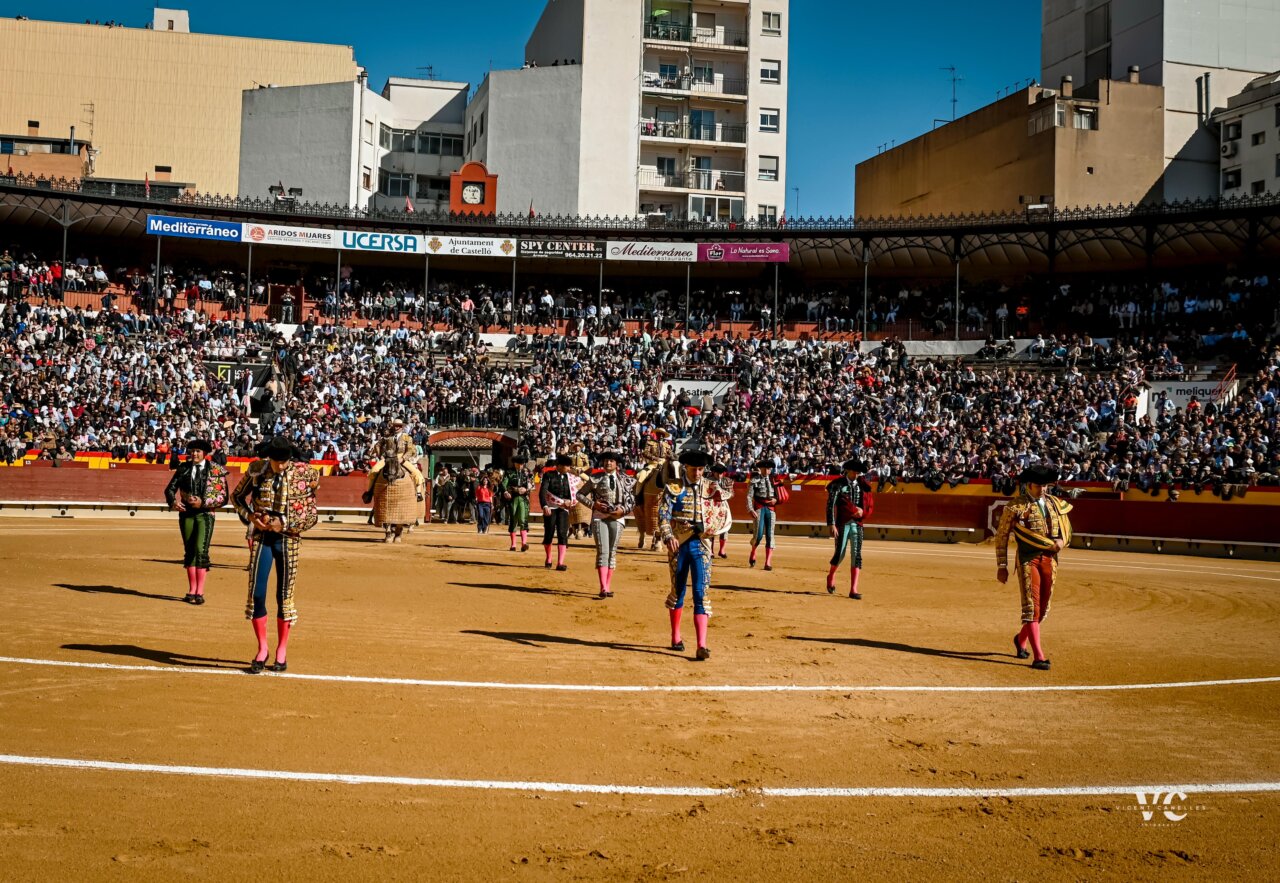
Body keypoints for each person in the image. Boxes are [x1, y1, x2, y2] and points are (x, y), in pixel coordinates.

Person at [231, 436, 320, 673]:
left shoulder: (305, 474)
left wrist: (286, 524)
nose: (281, 465)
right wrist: (251, 517)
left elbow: (311, 515)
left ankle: (281, 650)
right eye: (277, 461)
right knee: (257, 594)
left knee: (284, 596)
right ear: (269, 457)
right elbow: (237, 497)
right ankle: (262, 648)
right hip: (261, 539)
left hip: (288, 539)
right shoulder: (257, 470)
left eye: (285, 461)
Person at [994, 463, 1074, 671]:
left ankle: (1021, 640)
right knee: (1032, 606)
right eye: (1039, 486)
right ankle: (1039, 656)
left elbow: (1066, 530)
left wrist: (1061, 542)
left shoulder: (1056, 504)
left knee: (1043, 608)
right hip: (1028, 559)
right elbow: (1001, 537)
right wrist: (1002, 566)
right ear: (1029, 485)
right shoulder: (1015, 506)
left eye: (1045, 485)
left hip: (1050, 558)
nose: (1043, 489)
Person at [658, 449, 733, 660]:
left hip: (701, 545)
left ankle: (702, 645)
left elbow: (722, 511)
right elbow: (663, 515)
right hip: (679, 546)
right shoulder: (673, 488)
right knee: (678, 591)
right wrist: (667, 535)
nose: (698, 473)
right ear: (685, 468)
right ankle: (676, 637)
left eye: (701, 469)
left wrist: (711, 528)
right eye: (694, 469)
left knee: (701, 592)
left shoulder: (711, 487)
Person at [163, 438, 230, 604]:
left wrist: (203, 502)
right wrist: (173, 502)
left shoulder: (215, 470)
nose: (194, 454)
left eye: (198, 451)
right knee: (190, 550)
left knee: (201, 550)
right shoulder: (183, 468)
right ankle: (191, 590)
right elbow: (170, 489)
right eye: (192, 451)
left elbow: (223, 497)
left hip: (205, 514)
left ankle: (200, 591)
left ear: (205, 454)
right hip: (186, 513)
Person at [576, 451, 635, 598]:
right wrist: (593, 505)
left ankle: (607, 586)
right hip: (599, 517)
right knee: (603, 551)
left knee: (612, 552)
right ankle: (603, 587)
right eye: (606, 461)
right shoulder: (595, 478)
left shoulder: (626, 479)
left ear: (616, 464)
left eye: (611, 461)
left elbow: (632, 500)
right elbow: (579, 494)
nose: (608, 463)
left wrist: (623, 510)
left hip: (618, 518)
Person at [825, 457, 874, 598]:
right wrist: (831, 524)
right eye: (854, 471)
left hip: (857, 523)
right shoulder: (838, 484)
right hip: (842, 523)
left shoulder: (862, 485)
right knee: (840, 553)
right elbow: (830, 505)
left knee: (856, 555)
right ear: (847, 470)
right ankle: (831, 576)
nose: (856, 474)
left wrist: (863, 513)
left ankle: (853, 589)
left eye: (858, 472)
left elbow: (868, 504)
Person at [539, 454, 578, 570]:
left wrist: (570, 502)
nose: (569, 469)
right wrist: (544, 505)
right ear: (560, 466)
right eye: (567, 466)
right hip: (551, 508)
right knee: (549, 534)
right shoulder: (548, 475)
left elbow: (573, 494)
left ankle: (560, 562)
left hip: (563, 509)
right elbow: (542, 492)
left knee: (562, 534)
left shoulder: (569, 478)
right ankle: (549, 558)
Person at [746, 459, 780, 570]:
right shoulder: (754, 480)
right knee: (758, 535)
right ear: (760, 469)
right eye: (764, 468)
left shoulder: (774, 480)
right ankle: (753, 551)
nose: (766, 470)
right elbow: (749, 496)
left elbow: (780, 495)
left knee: (770, 535)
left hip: (771, 509)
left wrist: (776, 500)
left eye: (769, 468)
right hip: (759, 509)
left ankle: (768, 562)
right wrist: (751, 509)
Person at [501, 455, 534, 551]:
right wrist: (506, 492)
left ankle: (524, 543)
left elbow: (532, 485)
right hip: (513, 498)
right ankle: (513, 544)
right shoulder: (509, 472)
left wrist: (526, 489)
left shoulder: (526, 473)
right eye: (519, 464)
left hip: (523, 499)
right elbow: (503, 484)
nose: (521, 465)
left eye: (522, 464)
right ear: (515, 463)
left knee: (523, 520)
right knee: (513, 520)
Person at [709, 463, 735, 559]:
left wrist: (722, 493)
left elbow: (731, 494)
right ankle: (711, 550)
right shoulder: (708, 481)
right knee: (711, 527)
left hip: (723, 505)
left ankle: (722, 550)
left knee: (725, 526)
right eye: (717, 473)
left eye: (721, 473)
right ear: (713, 472)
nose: (719, 475)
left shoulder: (727, 481)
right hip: (712, 505)